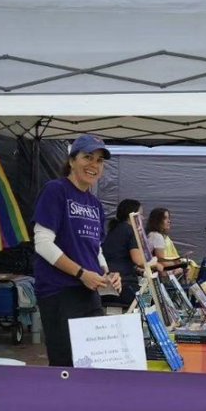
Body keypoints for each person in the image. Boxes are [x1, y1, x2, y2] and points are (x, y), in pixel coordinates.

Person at [32, 134, 122, 367]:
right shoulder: (56, 190)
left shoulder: (95, 204)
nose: (94, 165)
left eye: (100, 161)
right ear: (72, 160)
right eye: (87, 157)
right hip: (59, 291)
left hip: (88, 293)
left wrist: (107, 274)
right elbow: (42, 244)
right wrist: (81, 273)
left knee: (92, 363)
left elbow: (96, 248)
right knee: (66, 366)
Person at [102, 198, 146, 306]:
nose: (143, 218)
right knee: (150, 300)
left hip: (107, 286)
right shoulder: (131, 230)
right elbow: (139, 260)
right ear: (132, 216)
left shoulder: (113, 230)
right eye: (140, 215)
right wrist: (156, 263)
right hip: (125, 286)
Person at [145, 208, 197, 282]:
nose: (169, 221)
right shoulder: (157, 236)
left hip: (154, 270)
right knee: (188, 267)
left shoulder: (152, 234)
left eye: (169, 218)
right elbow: (162, 262)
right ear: (157, 221)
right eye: (165, 218)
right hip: (158, 274)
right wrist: (177, 262)